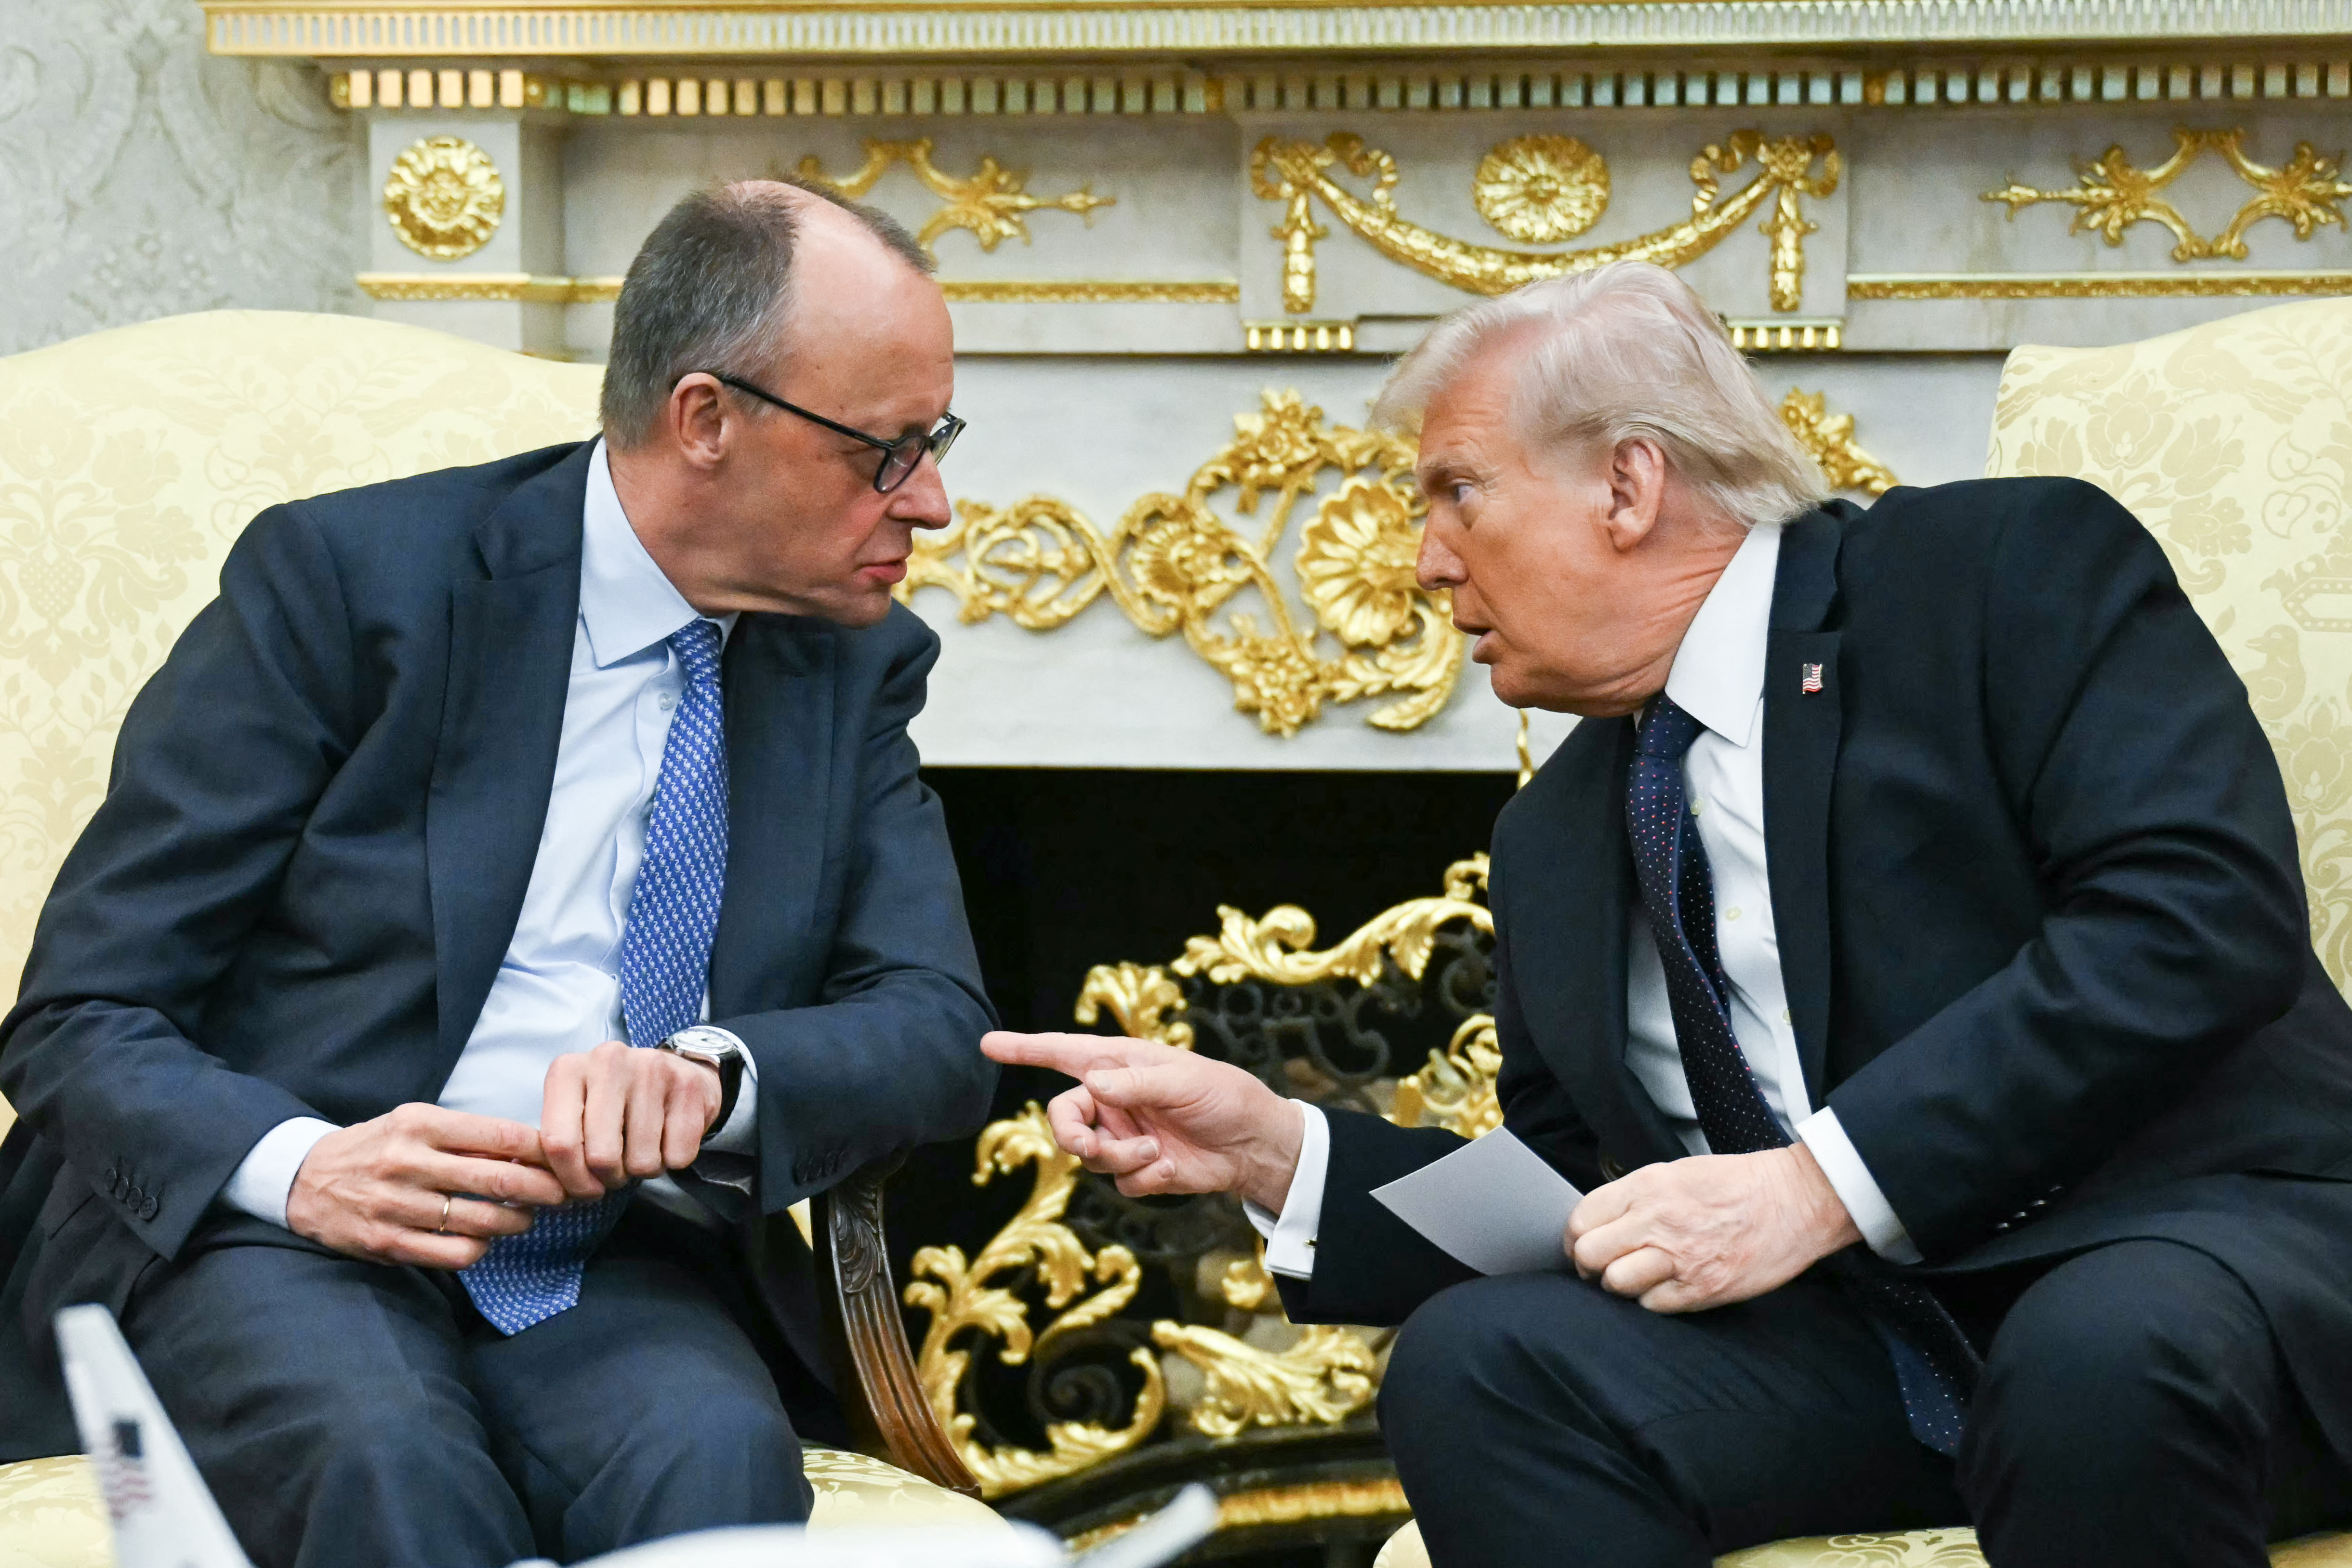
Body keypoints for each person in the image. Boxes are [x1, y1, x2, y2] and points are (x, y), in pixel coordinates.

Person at [984, 260, 2352, 1568]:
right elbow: (1577, 1199)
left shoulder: (1994, 571)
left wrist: (1819, 1187)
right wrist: (1283, 1153)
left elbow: (2189, 922)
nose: (1421, 563)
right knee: (1487, 1368)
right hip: (1870, 1351)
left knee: (2089, 1357)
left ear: (1626, 484)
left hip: (2189, 1264)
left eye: (1458, 492)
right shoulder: (1558, 832)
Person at [0, 179, 997, 1568]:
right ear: (705, 420)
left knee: (714, 1461)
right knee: (387, 1459)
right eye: (883, 452)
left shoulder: (851, 663)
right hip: (287, 1240)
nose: (933, 503)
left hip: (604, 1259)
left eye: (933, 441)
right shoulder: (352, 586)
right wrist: (307, 1171)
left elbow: (936, 1031)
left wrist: (715, 1077)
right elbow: (81, 1014)